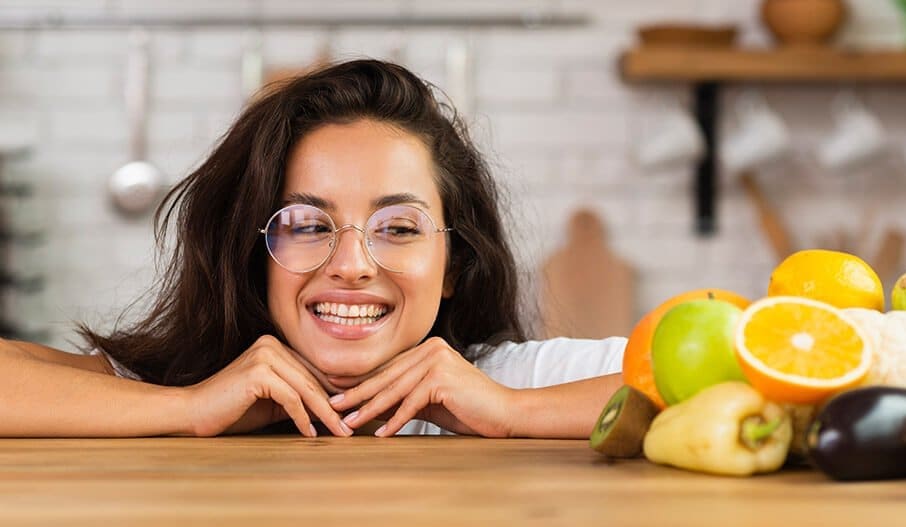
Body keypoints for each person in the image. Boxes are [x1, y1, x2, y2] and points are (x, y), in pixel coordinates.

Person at [0, 59, 624, 439]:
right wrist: (189, 407)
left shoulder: (505, 383)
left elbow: (724, 365)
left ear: (454, 266)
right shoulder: (195, 390)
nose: (351, 266)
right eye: (306, 225)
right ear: (257, 255)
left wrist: (512, 413)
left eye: (399, 228)